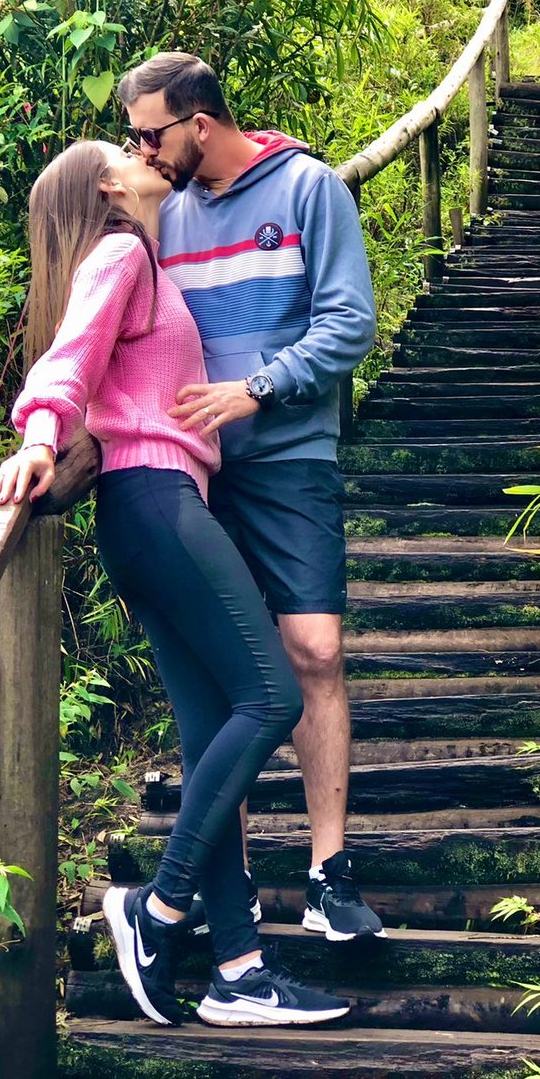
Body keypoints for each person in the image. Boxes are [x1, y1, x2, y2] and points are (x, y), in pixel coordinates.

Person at [0, 140, 350, 1028]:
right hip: (157, 502)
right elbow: (71, 357)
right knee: (269, 696)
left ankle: (239, 967)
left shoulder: (140, 257)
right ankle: (158, 909)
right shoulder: (120, 253)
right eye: (128, 149)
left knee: (208, 732)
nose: (146, 153)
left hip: (146, 510)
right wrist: (40, 433)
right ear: (112, 186)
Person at [116, 54, 383, 941]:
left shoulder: (309, 189)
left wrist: (259, 387)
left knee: (313, 651)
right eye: (132, 137)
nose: (141, 150)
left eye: (151, 133)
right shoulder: (166, 215)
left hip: (290, 457)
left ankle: (328, 870)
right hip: (198, 475)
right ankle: (210, 896)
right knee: (217, 682)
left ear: (200, 122)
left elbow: (350, 320)